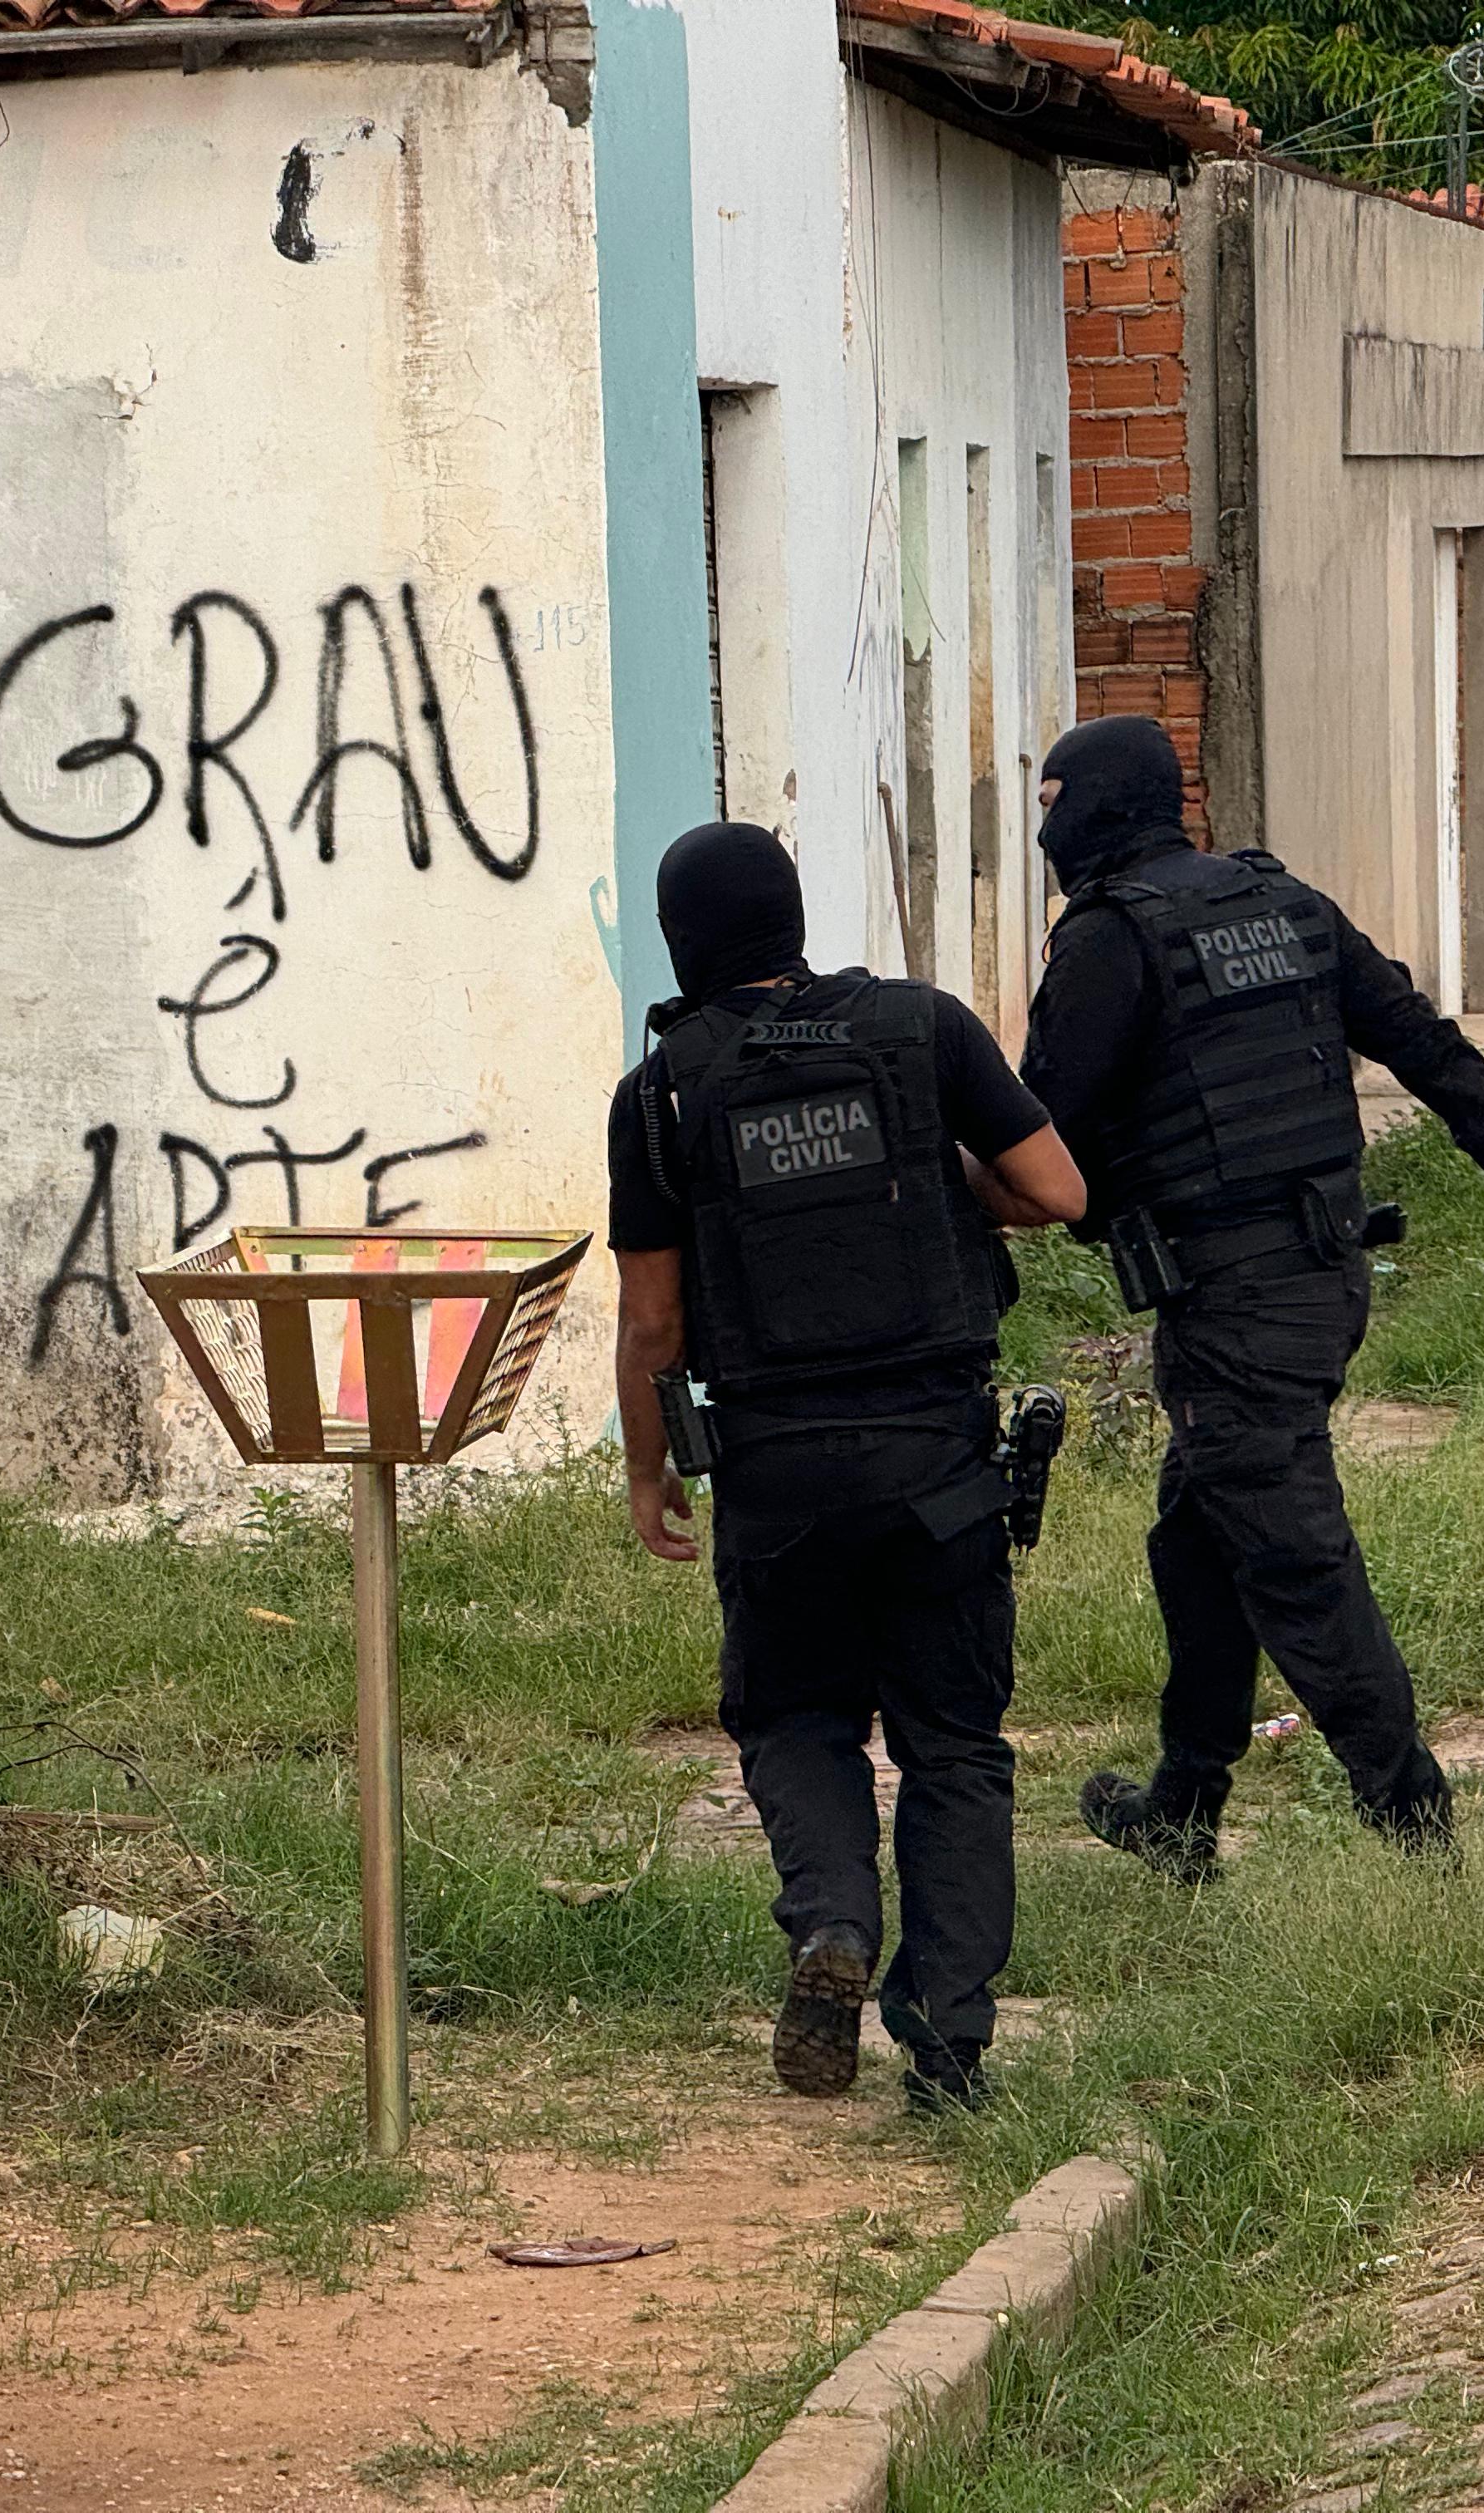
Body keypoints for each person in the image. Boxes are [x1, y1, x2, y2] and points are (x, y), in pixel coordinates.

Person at [1015, 716, 1484, 1879]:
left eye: (1052, 800)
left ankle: (1420, 1840)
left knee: (1300, 1572)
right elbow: (1427, 1047)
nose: (1044, 826)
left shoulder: (1109, 940)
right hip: (1317, 1282)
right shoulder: (1278, 905)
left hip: (1238, 1306)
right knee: (1197, 1544)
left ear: (1097, 808)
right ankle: (1184, 1812)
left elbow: (1041, 1131)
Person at [609, 820, 1088, 2114]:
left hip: (774, 1468)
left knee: (794, 1717)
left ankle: (830, 1924)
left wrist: (652, 1473)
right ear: (793, 914)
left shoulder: (660, 1094)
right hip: (937, 1456)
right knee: (953, 1743)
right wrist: (937, 1182)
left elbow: (654, 1323)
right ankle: (950, 2046)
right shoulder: (923, 1029)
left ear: (682, 937)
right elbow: (1058, 1190)